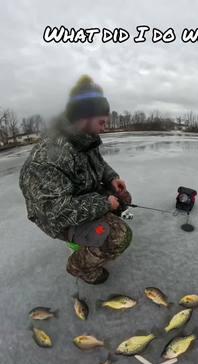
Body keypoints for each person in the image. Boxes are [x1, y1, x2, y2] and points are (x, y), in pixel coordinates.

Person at [19, 75, 133, 285]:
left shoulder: (84, 140)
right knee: (119, 235)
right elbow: (55, 210)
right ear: (84, 118)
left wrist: (112, 178)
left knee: (123, 197)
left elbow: (98, 165)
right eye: (101, 122)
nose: (105, 127)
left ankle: (92, 238)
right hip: (55, 218)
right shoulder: (47, 157)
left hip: (80, 197)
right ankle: (80, 266)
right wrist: (103, 203)